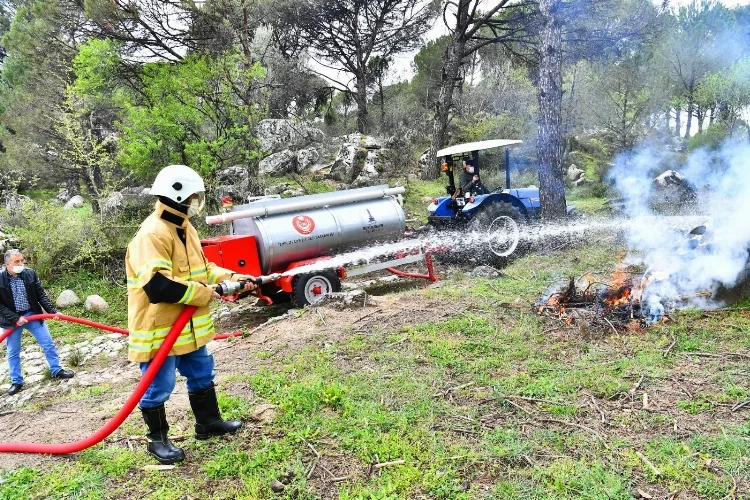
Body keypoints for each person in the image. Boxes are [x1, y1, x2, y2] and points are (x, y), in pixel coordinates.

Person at [126, 164, 257, 464]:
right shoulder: (153, 234)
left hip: (189, 327)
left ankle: (208, 423)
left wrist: (235, 279)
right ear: (179, 194)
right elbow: (158, 286)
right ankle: (156, 441)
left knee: (201, 372)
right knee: (160, 385)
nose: (196, 200)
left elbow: (204, 270)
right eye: (193, 195)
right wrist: (205, 293)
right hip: (159, 329)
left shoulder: (185, 227)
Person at [0, 249, 74, 396]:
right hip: (12, 321)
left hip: (31, 314)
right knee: (13, 351)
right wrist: (15, 318)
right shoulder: (0, 279)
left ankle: (56, 370)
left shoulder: (29, 274)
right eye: (17, 262)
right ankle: (17, 381)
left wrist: (52, 311)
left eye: (22, 260)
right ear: (7, 264)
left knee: (48, 343)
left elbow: (40, 294)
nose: (21, 264)